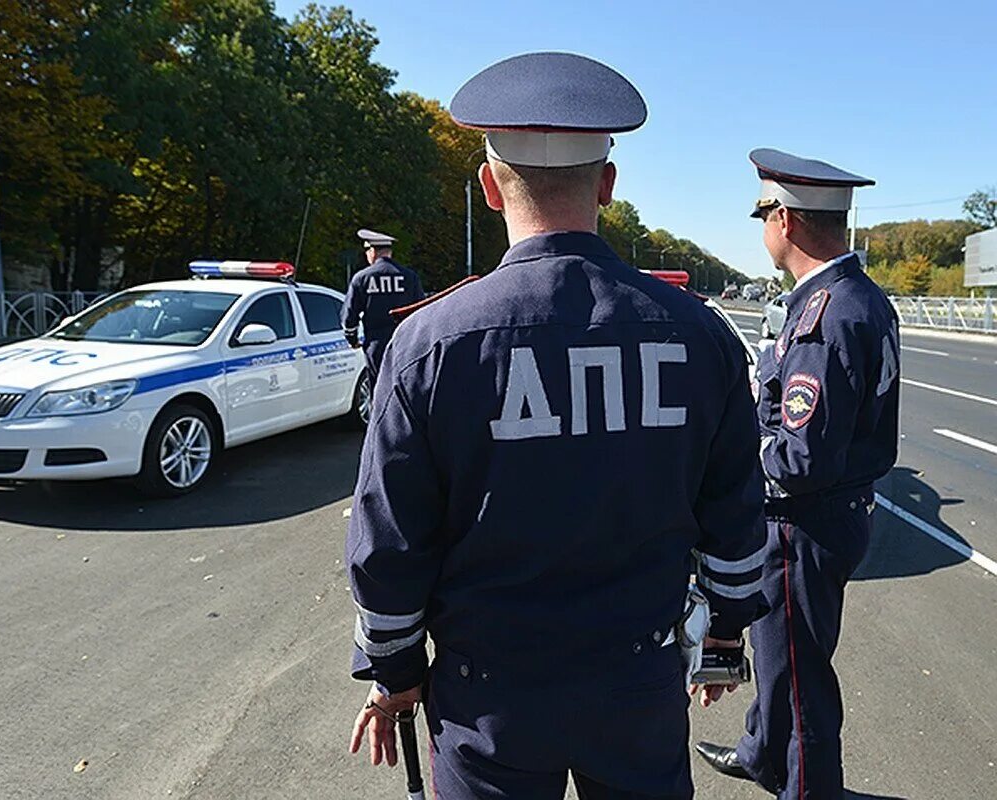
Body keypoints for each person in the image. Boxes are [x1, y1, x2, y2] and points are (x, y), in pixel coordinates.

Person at [345, 52, 767, 799]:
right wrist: (727, 635)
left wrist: (395, 673)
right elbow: (735, 517)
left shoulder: (430, 343)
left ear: (488, 188)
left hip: (488, 699)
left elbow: (389, 543)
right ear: (607, 184)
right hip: (638, 681)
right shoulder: (699, 335)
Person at [694, 149, 900, 799]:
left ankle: (811, 788)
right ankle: (762, 752)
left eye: (764, 216)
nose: (764, 230)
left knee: (798, 670)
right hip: (825, 514)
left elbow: (801, 457)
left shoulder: (826, 311)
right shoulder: (850, 297)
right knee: (780, 654)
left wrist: (731, 455)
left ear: (784, 219)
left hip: (802, 519)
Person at [340, 229, 425, 385]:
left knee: (379, 390)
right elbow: (421, 310)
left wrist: (352, 340)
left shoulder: (362, 278)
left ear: (372, 252)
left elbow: (349, 317)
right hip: (405, 342)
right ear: (389, 252)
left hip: (376, 345)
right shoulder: (409, 277)